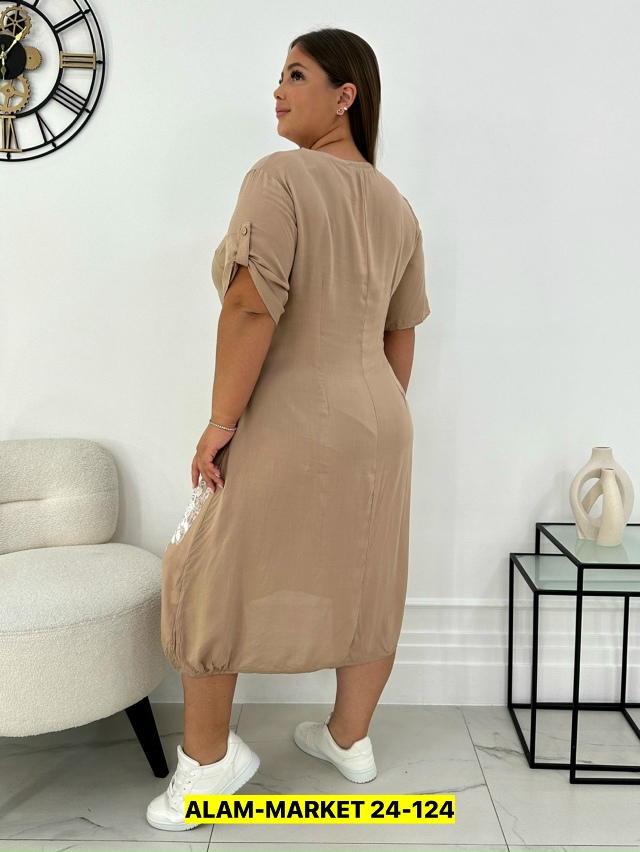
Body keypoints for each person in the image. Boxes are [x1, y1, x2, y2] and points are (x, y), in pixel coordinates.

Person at [147, 27, 431, 831]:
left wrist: (220, 421)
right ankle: (350, 740)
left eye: (297, 75)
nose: (278, 89)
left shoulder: (279, 176)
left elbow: (249, 304)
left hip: (288, 412)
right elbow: (402, 331)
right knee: (368, 573)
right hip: (381, 417)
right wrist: (373, 420)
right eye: (280, 75)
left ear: (346, 96)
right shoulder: (398, 206)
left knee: (207, 571)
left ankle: (208, 765)